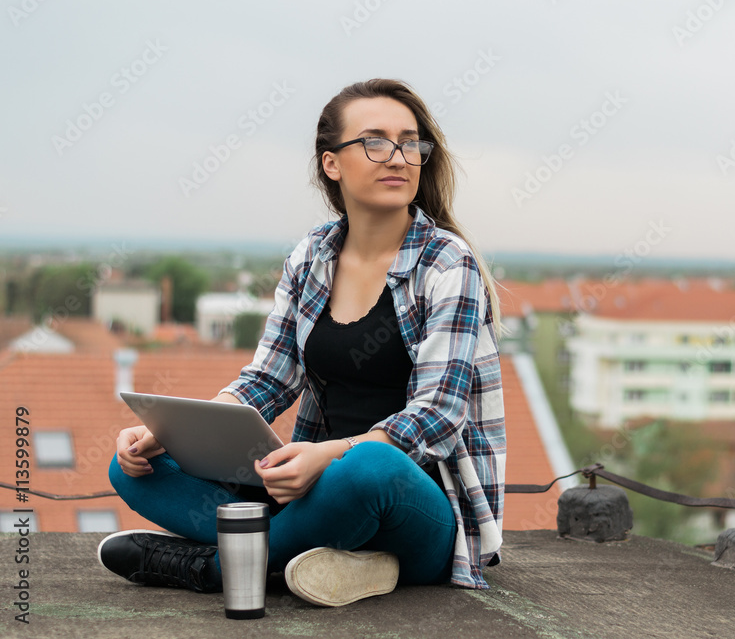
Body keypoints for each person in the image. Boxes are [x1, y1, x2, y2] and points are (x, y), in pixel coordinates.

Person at [98, 78, 506, 606]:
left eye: (411, 143)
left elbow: (438, 416)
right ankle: (321, 559)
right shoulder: (312, 257)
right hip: (312, 495)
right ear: (331, 163)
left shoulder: (448, 264)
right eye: (376, 142)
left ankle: (216, 568)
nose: (399, 157)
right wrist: (175, 431)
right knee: (134, 464)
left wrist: (325, 457)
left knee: (367, 469)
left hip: (414, 508)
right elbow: (268, 378)